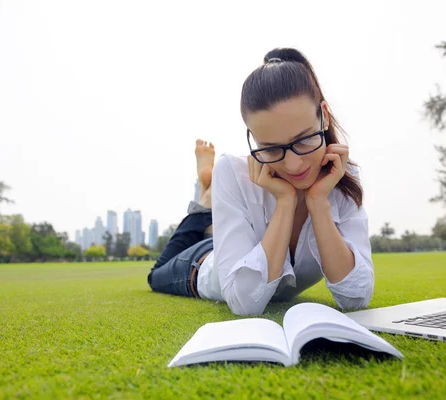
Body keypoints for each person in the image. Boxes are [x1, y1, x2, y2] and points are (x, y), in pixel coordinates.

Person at [147, 48, 374, 316]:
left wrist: (317, 202)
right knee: (156, 274)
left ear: (323, 114)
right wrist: (285, 202)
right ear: (252, 138)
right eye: (271, 148)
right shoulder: (233, 171)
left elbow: (356, 298)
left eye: (303, 140)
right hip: (200, 264)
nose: (293, 165)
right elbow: (244, 303)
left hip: (231, 238)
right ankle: (205, 201)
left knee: (221, 231)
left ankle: (210, 200)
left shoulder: (342, 176)